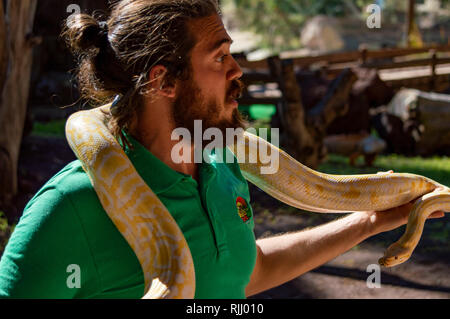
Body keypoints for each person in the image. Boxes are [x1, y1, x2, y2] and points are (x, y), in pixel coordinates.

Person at [0, 0, 444, 299]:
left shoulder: (223, 163)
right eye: (219, 57)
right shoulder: (67, 209)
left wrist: (367, 221)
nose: (238, 71)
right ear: (163, 82)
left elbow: (246, 274)